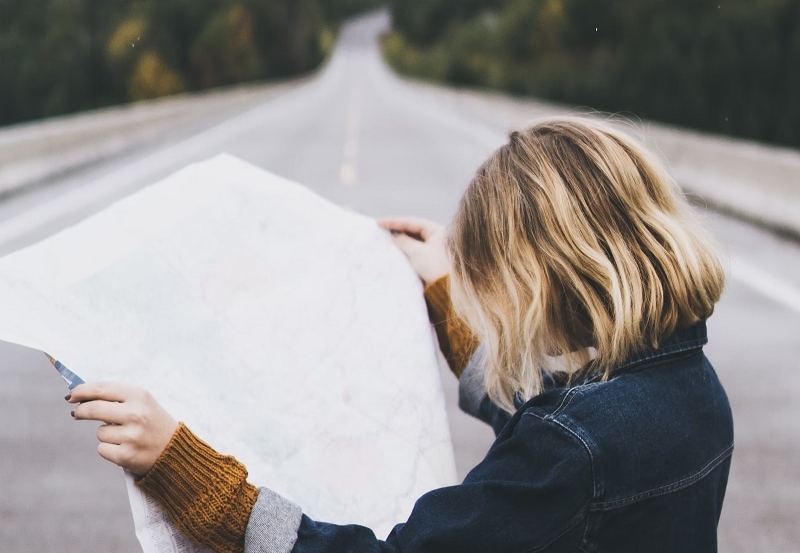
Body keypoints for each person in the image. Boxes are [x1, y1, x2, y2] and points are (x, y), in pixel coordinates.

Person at [67, 117, 733, 553]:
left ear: (542, 281)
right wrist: (445, 298)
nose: (493, 312)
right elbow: (561, 451)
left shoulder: (574, 448)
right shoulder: (688, 389)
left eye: (492, 287)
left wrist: (194, 476)